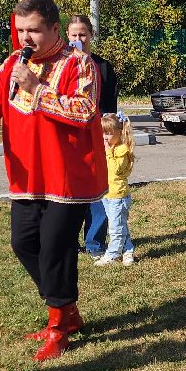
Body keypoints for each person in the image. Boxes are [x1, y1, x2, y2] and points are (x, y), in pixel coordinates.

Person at [0, 0, 107, 360]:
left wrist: (36, 88)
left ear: (55, 29)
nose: (25, 39)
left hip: (68, 178)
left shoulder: (81, 64)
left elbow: (84, 110)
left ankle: (59, 325)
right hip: (26, 176)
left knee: (55, 249)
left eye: (33, 31)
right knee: (24, 243)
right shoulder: (14, 63)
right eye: (20, 31)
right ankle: (68, 310)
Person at [66, 14, 119, 257]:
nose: (78, 39)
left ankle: (95, 244)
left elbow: (110, 111)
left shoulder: (104, 68)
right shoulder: (59, 67)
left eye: (83, 34)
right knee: (70, 196)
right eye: (74, 35)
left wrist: (108, 139)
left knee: (98, 196)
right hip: (69, 143)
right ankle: (68, 241)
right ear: (67, 36)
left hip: (96, 141)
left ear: (91, 36)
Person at [93, 113, 135, 266]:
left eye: (109, 133)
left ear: (120, 132)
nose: (105, 137)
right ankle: (128, 251)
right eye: (103, 133)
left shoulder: (121, 150)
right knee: (120, 224)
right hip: (107, 194)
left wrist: (108, 152)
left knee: (115, 228)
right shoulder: (106, 149)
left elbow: (116, 169)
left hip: (118, 196)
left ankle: (112, 254)